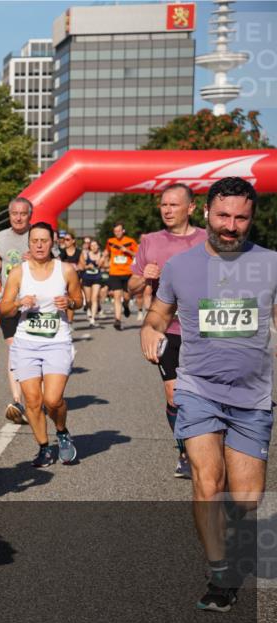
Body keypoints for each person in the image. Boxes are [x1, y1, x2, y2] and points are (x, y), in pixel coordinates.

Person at [139, 177, 276, 612]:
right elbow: (159, 314)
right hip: (197, 388)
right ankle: (220, 572)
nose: (231, 225)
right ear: (206, 215)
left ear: (252, 219)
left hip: (253, 396)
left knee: (247, 498)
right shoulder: (181, 267)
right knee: (207, 482)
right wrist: (149, 330)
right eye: (223, 215)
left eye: (240, 217)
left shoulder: (270, 264)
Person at [128, 183, 207, 479]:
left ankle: (210, 445)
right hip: (167, 329)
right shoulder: (150, 241)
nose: (167, 210)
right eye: (163, 205)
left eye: (174, 205)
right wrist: (144, 277)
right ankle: (185, 452)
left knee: (206, 393)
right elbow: (131, 286)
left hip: (205, 330)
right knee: (175, 396)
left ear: (191, 208)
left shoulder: (207, 238)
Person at [0, 222, 83, 467]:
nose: (39, 245)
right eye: (34, 240)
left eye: (44, 240)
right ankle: (44, 448)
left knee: (53, 400)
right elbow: (4, 309)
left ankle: (62, 432)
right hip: (26, 342)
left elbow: (79, 300)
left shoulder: (65, 270)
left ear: (52, 242)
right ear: (29, 243)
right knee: (33, 400)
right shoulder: (18, 272)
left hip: (57, 341)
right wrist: (17, 303)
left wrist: (69, 302)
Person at [0, 197, 32, 424]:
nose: (18, 217)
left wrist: (38, 257)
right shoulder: (0, 237)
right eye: (14, 213)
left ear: (29, 216)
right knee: (15, 350)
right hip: (9, 302)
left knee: (33, 351)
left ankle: (35, 397)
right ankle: (17, 401)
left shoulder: (38, 236)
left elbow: (56, 262)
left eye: (23, 213)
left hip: (34, 304)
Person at [104, 223, 139, 330]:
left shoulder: (130, 241)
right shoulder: (110, 241)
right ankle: (117, 320)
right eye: (115, 231)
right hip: (114, 273)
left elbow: (138, 255)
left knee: (127, 296)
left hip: (128, 273)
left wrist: (127, 250)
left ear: (123, 231)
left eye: (119, 231)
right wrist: (104, 259)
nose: (117, 233)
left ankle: (126, 305)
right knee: (117, 296)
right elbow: (107, 252)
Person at [80, 239, 104, 327]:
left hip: (97, 278)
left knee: (94, 298)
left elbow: (106, 265)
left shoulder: (101, 255)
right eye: (92, 245)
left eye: (95, 245)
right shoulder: (85, 255)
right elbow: (81, 266)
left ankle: (92, 318)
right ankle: (88, 309)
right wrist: (87, 266)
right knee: (88, 299)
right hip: (87, 278)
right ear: (90, 247)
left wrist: (101, 263)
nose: (93, 247)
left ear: (98, 246)